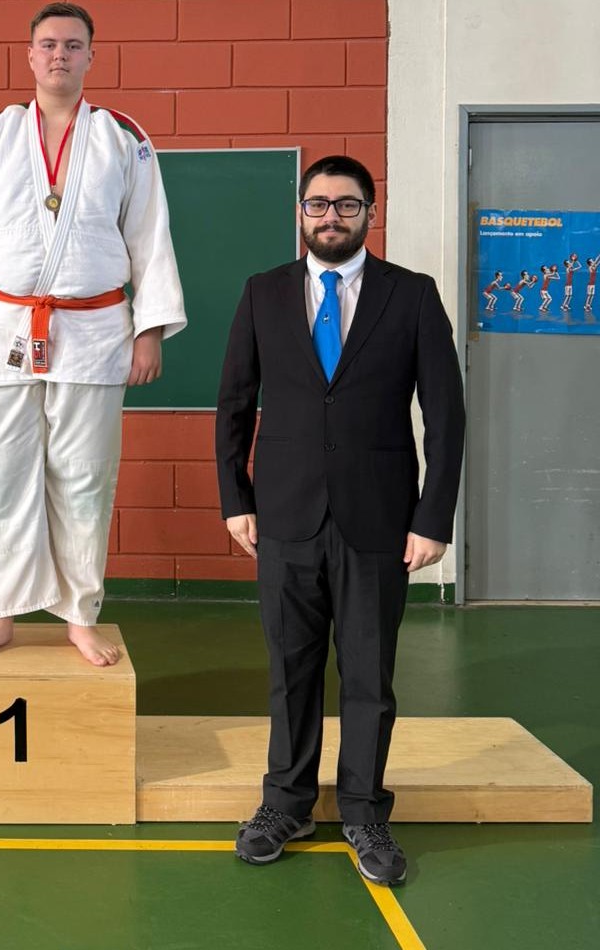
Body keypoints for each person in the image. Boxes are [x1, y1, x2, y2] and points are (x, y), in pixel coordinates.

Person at [215, 156, 466, 886]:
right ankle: (284, 804)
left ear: (370, 213)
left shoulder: (411, 295)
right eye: (319, 204)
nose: (331, 216)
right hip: (283, 516)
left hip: (379, 519)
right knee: (290, 671)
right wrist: (236, 499)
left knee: (368, 676)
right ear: (301, 212)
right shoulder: (263, 293)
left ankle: (363, 812)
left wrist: (433, 518)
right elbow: (234, 405)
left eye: (347, 205)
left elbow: (445, 416)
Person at [0, 2, 186, 667]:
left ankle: (80, 615)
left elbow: (149, 235)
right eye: (48, 44)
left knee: (85, 478)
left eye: (72, 44)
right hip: (1, 327)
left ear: (92, 55)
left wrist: (149, 330)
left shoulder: (124, 138)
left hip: (94, 331)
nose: (59, 54)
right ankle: (0, 612)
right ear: (30, 55)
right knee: (3, 475)